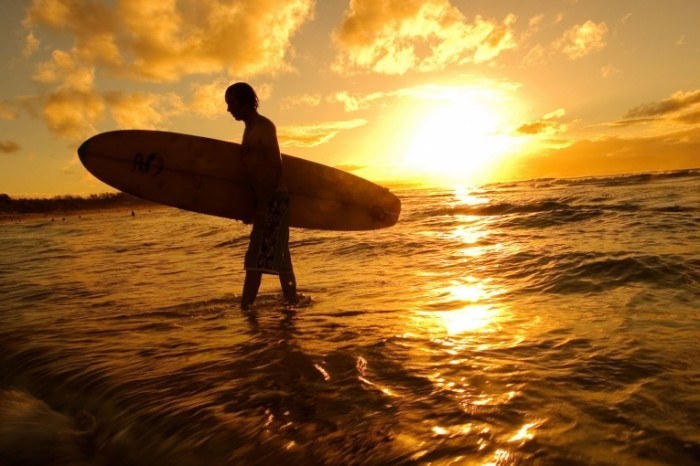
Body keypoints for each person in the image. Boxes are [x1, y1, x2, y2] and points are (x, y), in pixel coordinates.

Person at [225, 82, 298, 310]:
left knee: (256, 257)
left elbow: (276, 167)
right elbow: (254, 172)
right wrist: (252, 205)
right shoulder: (249, 129)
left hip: (274, 199)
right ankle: (292, 305)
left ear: (246, 101)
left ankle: (246, 309)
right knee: (280, 257)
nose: (229, 109)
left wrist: (264, 204)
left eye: (232, 103)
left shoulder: (264, 126)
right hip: (266, 200)